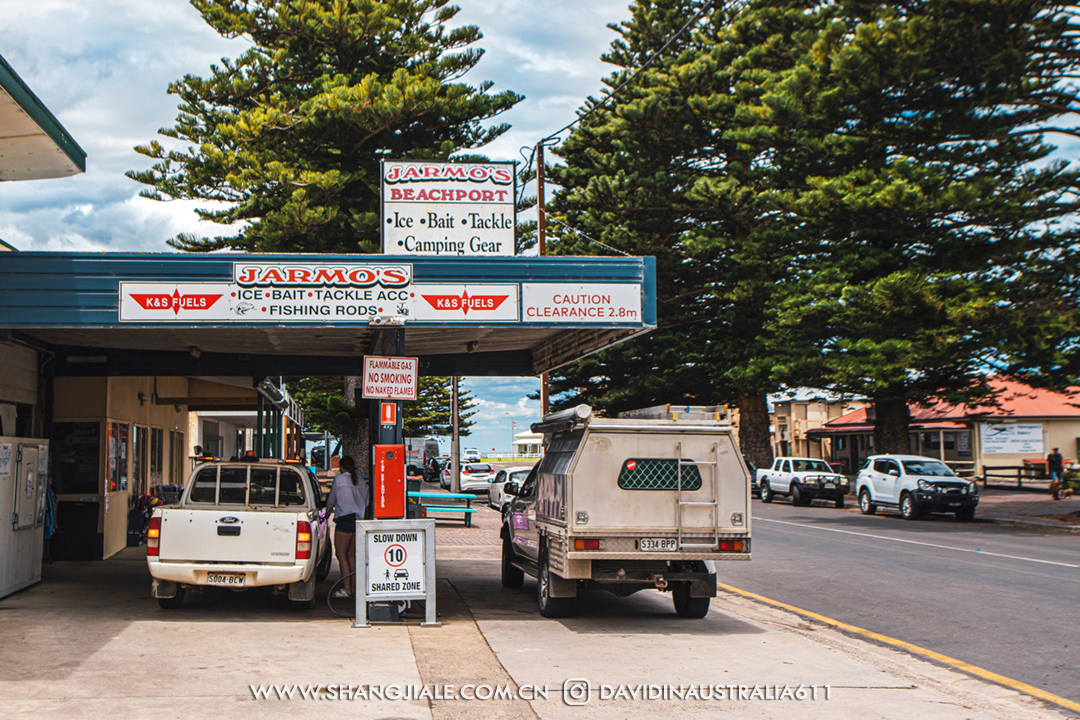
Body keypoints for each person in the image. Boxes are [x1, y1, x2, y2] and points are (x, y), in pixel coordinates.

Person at [325, 455, 367, 597]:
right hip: (358, 521)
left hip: (344, 520)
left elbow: (331, 499)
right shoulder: (361, 481)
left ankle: (347, 589)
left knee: (341, 556)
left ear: (342, 467)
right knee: (352, 556)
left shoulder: (339, 480)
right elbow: (366, 503)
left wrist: (328, 512)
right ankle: (355, 588)